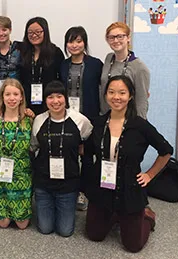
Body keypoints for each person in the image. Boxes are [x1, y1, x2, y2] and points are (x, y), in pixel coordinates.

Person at [84, 75, 172, 252]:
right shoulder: (98, 123)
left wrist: (149, 174)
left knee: (133, 246)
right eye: (111, 92)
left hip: (129, 189)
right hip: (102, 187)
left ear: (130, 96)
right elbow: (86, 151)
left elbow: (166, 150)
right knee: (94, 235)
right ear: (106, 95)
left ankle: (146, 216)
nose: (116, 97)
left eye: (122, 92)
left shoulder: (140, 125)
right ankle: (115, 215)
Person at [30, 80, 92, 237]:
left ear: (66, 98)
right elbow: (33, 146)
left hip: (68, 184)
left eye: (59, 96)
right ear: (45, 100)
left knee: (65, 231)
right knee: (45, 229)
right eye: (50, 97)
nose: (55, 101)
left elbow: (89, 140)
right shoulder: (39, 120)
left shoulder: (80, 120)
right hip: (43, 184)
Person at [59, 26, 103, 211]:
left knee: (86, 155)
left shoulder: (96, 64)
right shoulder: (62, 65)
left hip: (89, 116)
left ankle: (84, 192)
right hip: (68, 117)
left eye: (78, 41)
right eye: (71, 41)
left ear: (85, 42)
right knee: (68, 154)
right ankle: (68, 190)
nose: (74, 45)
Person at [0, 78, 32, 229]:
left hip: (21, 175)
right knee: (4, 223)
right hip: (0, 174)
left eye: (15, 94)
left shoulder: (29, 120)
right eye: (7, 94)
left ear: (21, 97)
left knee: (22, 224)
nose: (12, 98)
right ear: (2, 97)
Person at [100, 22, 150, 119]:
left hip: (129, 120)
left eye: (120, 36)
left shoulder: (139, 67)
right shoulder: (108, 59)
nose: (116, 40)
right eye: (112, 37)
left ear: (128, 38)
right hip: (108, 117)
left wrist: (139, 125)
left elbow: (141, 101)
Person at [19, 17, 64, 116]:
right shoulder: (22, 52)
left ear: (45, 32)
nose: (34, 35)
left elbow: (60, 80)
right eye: (30, 32)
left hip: (49, 103)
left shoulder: (55, 52)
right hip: (25, 104)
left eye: (38, 32)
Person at [0, 16, 22, 108]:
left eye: (4, 29)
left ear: (10, 30)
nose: (1, 33)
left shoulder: (20, 48)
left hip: (16, 99)